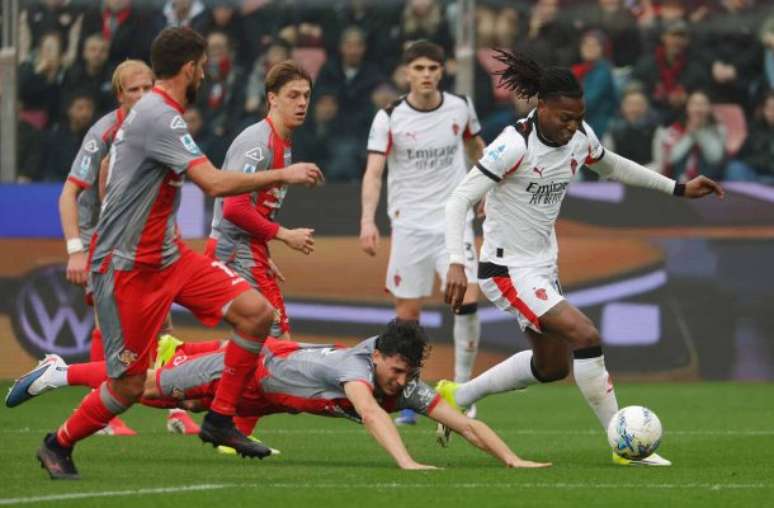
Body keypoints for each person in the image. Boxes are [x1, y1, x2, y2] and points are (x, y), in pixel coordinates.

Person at [35, 27, 324, 480]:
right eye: (203, 67)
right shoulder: (160, 116)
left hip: (168, 257)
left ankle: (220, 418)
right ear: (189, 68)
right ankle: (58, 442)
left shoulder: (159, 114)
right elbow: (214, 184)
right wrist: (282, 175)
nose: (205, 75)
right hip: (128, 266)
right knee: (129, 385)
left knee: (257, 315)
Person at [442, 49, 724, 466]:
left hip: (542, 265)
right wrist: (456, 261)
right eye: (564, 118)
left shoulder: (578, 137)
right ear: (541, 106)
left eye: (578, 118)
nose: (572, 126)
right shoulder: (513, 145)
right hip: (506, 268)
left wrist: (678, 188)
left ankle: (458, 395)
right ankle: (623, 445)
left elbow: (613, 166)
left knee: (551, 367)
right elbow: (458, 200)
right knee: (585, 336)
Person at [8, 321, 550, 471]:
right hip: (248, 371)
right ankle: (61, 371)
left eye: (407, 374)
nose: (400, 381)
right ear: (379, 356)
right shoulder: (356, 371)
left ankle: (165, 363)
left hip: (268, 395)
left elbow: (463, 422)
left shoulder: (402, 381)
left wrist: (512, 459)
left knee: (174, 400)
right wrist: (406, 462)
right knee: (141, 387)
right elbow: (368, 412)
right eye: (396, 370)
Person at [360, 40, 486, 425]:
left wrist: (484, 190)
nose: (426, 75)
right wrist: (367, 220)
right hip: (409, 225)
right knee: (407, 316)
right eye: (419, 68)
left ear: (442, 71)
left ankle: (462, 390)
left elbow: (477, 149)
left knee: (467, 299)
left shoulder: (460, 106)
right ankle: (409, 394)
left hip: (453, 221)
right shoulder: (389, 117)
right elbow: (374, 172)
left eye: (433, 68)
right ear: (407, 73)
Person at [58, 59, 156, 436]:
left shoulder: (161, 126)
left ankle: (176, 412)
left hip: (143, 237)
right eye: (135, 90)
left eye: (148, 88)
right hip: (101, 237)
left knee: (160, 322)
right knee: (108, 321)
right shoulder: (102, 134)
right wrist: (76, 249)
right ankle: (101, 413)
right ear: (120, 96)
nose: (143, 96)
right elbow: (70, 195)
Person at [207, 60, 318, 343]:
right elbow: (234, 208)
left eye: (306, 95)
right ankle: (179, 360)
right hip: (235, 250)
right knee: (279, 344)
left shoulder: (283, 140)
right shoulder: (257, 144)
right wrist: (284, 235)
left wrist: (262, 251)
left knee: (253, 344)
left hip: (247, 249)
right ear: (272, 99)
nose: (302, 103)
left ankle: (180, 357)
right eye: (293, 95)